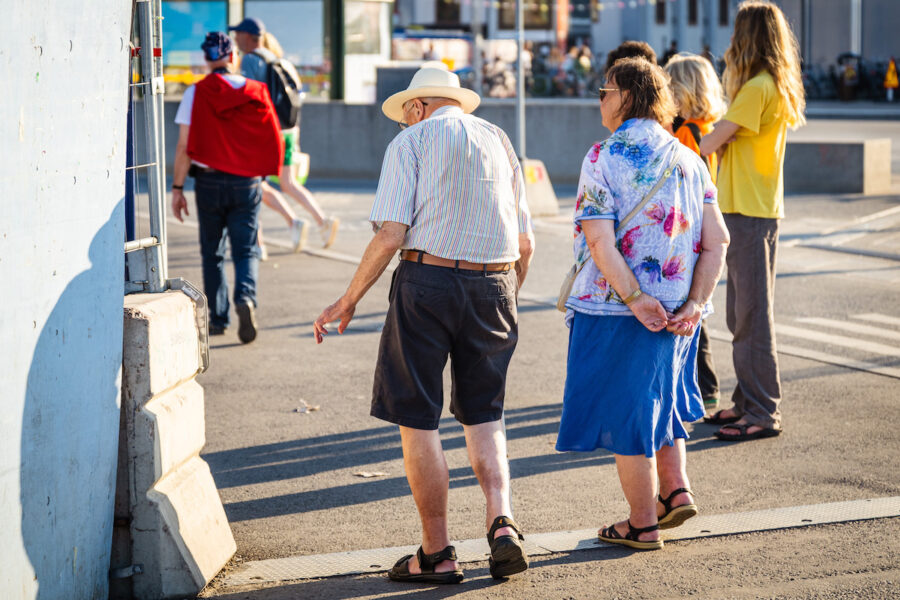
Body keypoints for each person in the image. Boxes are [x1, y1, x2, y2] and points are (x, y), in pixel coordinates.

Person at [313, 67, 535, 583]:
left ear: (417, 107)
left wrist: (348, 300)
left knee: (418, 418)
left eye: (403, 115)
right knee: (485, 415)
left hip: (427, 282)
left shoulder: (412, 141)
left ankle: (437, 552)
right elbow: (524, 243)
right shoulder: (499, 139)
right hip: (496, 284)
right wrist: (507, 295)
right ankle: (501, 523)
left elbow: (392, 233)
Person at [557, 57, 730, 550]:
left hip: (617, 310)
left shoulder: (603, 156)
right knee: (663, 403)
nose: (600, 100)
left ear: (629, 95)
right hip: (679, 313)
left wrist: (634, 297)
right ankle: (674, 491)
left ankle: (641, 522)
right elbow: (718, 241)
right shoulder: (690, 159)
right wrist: (696, 301)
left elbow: (599, 242)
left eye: (605, 91)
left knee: (627, 417)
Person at [699, 1, 805, 442]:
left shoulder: (757, 87)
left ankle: (762, 410)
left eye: (735, 35)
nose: (729, 44)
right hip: (751, 210)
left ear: (748, 39)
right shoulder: (769, 85)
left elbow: (709, 142)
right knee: (741, 313)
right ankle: (747, 401)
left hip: (748, 211)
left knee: (751, 317)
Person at [171, 32, 283, 343]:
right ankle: (245, 299)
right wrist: (265, 173)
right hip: (246, 182)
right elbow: (273, 136)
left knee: (212, 252)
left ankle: (218, 320)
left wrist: (177, 187)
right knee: (245, 249)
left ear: (206, 60)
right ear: (233, 57)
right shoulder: (257, 91)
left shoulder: (196, 93)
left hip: (208, 181)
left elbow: (183, 146)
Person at [230, 18, 340, 250]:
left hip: (267, 132)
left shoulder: (250, 60)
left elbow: (250, 97)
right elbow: (297, 96)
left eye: (238, 34)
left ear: (249, 37)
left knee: (255, 184)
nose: (235, 39)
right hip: (288, 130)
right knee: (288, 183)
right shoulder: (281, 61)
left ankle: (263, 241)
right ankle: (322, 221)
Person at [665, 52, 728, 413]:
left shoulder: (687, 132)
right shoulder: (710, 126)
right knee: (697, 310)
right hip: (709, 225)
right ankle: (707, 388)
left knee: (691, 314)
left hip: (689, 232)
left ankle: (704, 388)